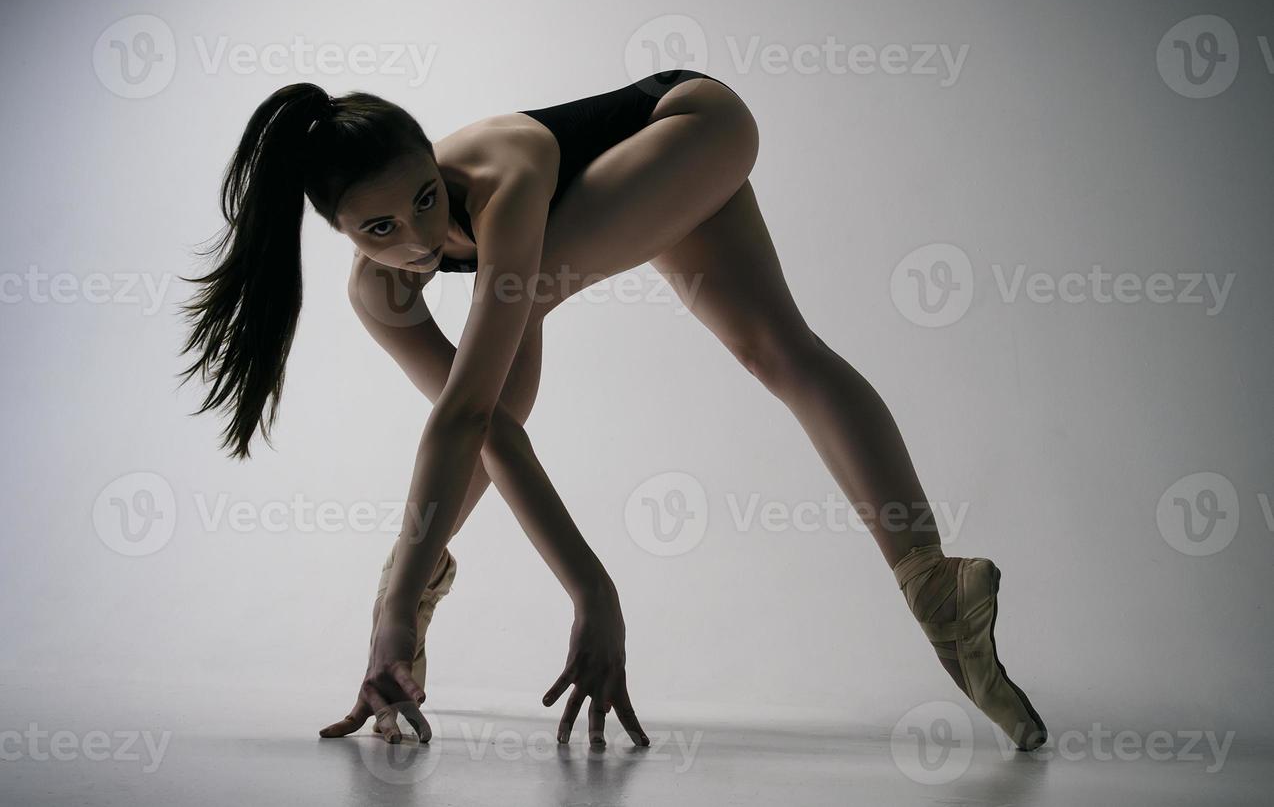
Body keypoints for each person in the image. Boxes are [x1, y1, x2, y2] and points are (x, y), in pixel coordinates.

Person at [177, 69, 1046, 751]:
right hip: (631, 178)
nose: (419, 237)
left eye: (427, 198)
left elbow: (468, 418)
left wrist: (587, 594)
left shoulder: (503, 183)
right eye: (379, 230)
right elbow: (480, 431)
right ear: (340, 233)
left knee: (506, 364)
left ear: (437, 165)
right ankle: (941, 587)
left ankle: (404, 605)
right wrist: (410, 607)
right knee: (770, 350)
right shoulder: (379, 294)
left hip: (689, 122)